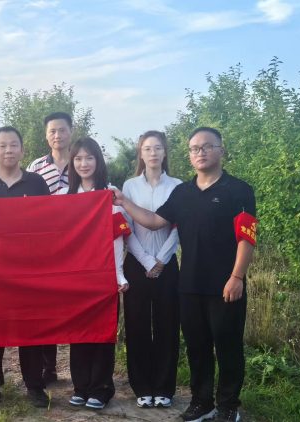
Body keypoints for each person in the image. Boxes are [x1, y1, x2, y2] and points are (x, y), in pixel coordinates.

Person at [111, 127, 257, 422]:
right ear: (189, 155)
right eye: (194, 148)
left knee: (227, 346)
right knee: (197, 347)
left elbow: (247, 237)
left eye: (207, 146)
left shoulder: (239, 190)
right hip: (189, 285)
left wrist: (237, 277)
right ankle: (202, 402)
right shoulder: (183, 193)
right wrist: (124, 201)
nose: (200, 153)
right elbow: (154, 221)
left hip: (226, 284)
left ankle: (228, 405)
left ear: (221, 150)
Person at [0, 126, 52, 408]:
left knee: (30, 328)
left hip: (28, 270)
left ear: (22, 150)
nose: (9, 150)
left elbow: (49, 223)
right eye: (3, 145)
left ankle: (34, 385)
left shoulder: (37, 183)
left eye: (14, 145)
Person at [57, 136, 129, 410]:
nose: (83, 163)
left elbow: (118, 238)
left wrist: (118, 275)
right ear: (71, 163)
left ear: (98, 161)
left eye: (89, 158)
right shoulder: (63, 197)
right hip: (75, 278)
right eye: (78, 158)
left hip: (104, 275)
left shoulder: (111, 194)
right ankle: (81, 386)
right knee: (79, 333)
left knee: (102, 332)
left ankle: (101, 388)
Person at [121, 131, 182, 409]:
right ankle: (142, 386)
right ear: (141, 153)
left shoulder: (178, 186)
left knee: (167, 326)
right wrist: (147, 261)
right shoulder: (130, 186)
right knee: (137, 326)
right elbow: (126, 228)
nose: (153, 153)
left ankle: (164, 387)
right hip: (137, 264)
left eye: (158, 148)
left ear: (165, 152)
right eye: (147, 148)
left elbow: (179, 227)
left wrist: (162, 259)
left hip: (167, 265)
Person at [26, 111, 73, 385]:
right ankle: (48, 365)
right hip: (43, 246)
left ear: (71, 132)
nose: (57, 135)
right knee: (44, 304)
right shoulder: (35, 166)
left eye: (62, 130)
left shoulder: (82, 161)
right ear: (46, 135)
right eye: (52, 131)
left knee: (69, 304)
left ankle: (81, 365)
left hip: (75, 243)